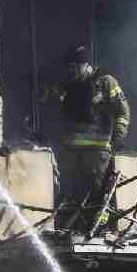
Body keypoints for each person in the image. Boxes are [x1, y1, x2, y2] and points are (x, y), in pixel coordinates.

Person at [45, 44, 130, 234]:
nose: (72, 71)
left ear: (88, 65)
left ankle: (100, 228)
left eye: (77, 67)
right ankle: (71, 228)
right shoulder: (65, 86)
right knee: (70, 192)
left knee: (98, 192)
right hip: (70, 152)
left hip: (97, 151)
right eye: (70, 67)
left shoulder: (106, 82)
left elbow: (122, 111)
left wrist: (117, 138)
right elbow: (54, 115)